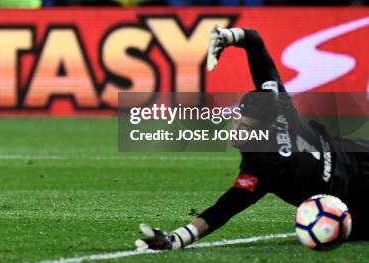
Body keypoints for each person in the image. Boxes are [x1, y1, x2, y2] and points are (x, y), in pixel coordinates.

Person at [135, 26, 369, 251]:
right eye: (238, 117)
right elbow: (255, 41)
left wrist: (179, 237)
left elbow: (227, 206)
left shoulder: (265, 162)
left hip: (353, 196)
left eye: (247, 126)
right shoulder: (278, 102)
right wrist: (229, 36)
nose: (238, 128)